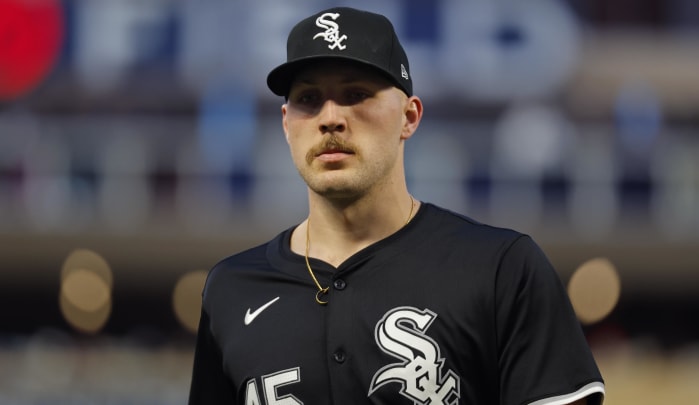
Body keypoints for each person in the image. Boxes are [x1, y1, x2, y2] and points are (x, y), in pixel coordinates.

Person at [188, 6, 605, 405]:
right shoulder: (231, 289)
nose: (330, 117)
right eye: (309, 99)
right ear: (285, 122)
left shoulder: (501, 269)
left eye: (356, 94)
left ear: (409, 116)